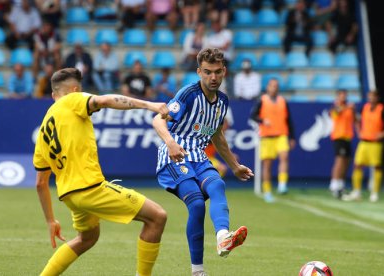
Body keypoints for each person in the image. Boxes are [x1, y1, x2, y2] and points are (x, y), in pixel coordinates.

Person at [33, 67, 169, 276]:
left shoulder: (44, 129)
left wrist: (50, 220)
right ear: (76, 90)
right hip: (90, 188)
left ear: (53, 95)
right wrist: (149, 104)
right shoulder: (73, 99)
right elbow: (105, 100)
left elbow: (40, 183)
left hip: (69, 196)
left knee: (87, 238)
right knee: (157, 217)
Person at [152, 48, 253, 276]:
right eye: (207, 72)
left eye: (217, 72)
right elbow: (157, 120)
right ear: (199, 72)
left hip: (198, 155)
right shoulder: (188, 94)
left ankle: (222, 238)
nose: (213, 77)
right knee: (197, 204)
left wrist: (235, 166)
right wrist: (170, 143)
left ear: (224, 71)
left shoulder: (222, 102)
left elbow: (217, 136)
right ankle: (197, 271)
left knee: (217, 184)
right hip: (174, 155)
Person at [250, 78, 295, 203]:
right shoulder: (262, 100)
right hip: (267, 136)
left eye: (276, 86)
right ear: (268, 87)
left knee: (284, 156)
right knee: (267, 165)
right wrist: (263, 121)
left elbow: (289, 120)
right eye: (272, 86)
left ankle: (282, 184)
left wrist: (292, 137)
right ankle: (267, 191)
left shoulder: (282, 101)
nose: (274, 88)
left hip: (281, 134)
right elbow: (253, 115)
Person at [342, 90, 384, 202]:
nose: (371, 99)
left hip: (376, 143)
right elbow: (357, 120)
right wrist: (358, 130)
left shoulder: (382, 109)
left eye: (373, 97)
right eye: (369, 96)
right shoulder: (364, 108)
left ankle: (375, 192)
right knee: (357, 165)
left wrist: (382, 133)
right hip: (364, 142)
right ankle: (357, 191)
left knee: (376, 166)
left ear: (377, 98)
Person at [328, 89, 356, 199]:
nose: (344, 97)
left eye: (345, 95)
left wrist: (352, 110)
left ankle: (341, 185)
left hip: (348, 137)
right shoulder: (336, 106)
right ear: (338, 97)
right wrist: (347, 107)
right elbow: (335, 113)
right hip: (339, 137)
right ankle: (334, 185)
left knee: (347, 162)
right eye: (341, 95)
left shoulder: (350, 109)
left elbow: (355, 119)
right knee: (339, 160)